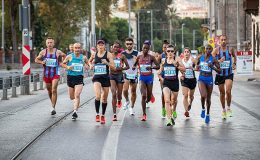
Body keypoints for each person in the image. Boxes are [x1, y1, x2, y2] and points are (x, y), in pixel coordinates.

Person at [35, 37, 66, 115]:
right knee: (49, 91)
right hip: (47, 74)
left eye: (51, 42)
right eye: (48, 42)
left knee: (54, 90)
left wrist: (62, 63)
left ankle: (53, 107)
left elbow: (64, 55)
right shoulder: (43, 52)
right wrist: (42, 62)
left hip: (55, 73)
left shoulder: (57, 52)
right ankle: (52, 102)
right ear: (46, 44)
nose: (50, 44)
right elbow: (36, 60)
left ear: (53, 43)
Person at [158, 44, 186, 126]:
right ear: (166, 52)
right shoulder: (163, 61)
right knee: (167, 100)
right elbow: (159, 72)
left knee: (173, 101)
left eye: (172, 51)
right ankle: (169, 119)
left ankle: (174, 110)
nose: (170, 53)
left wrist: (176, 65)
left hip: (175, 83)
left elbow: (184, 69)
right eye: (168, 51)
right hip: (166, 83)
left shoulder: (177, 60)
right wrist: (161, 78)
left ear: (174, 52)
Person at [88, 40, 115, 124]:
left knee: (104, 98)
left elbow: (113, 66)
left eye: (102, 45)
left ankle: (103, 115)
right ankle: (97, 114)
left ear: (104, 46)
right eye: (99, 45)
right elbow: (89, 61)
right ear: (97, 46)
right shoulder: (94, 54)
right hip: (97, 77)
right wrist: (91, 65)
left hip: (106, 78)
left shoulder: (108, 54)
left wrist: (106, 62)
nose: (100, 46)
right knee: (98, 95)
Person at [132, 41, 159, 121]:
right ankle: (144, 114)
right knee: (143, 95)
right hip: (142, 78)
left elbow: (158, 66)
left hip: (149, 78)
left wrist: (151, 68)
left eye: (147, 48)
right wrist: (134, 67)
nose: (145, 50)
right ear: (142, 48)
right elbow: (135, 64)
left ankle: (150, 97)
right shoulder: (139, 57)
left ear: (149, 49)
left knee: (148, 97)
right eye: (144, 48)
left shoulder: (151, 57)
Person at [61, 43, 89, 120]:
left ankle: (75, 111)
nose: (77, 49)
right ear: (73, 48)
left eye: (78, 48)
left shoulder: (83, 57)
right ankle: (75, 104)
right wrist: (68, 66)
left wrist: (87, 66)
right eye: (76, 48)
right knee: (71, 97)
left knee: (77, 95)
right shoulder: (69, 56)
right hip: (70, 77)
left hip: (79, 78)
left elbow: (88, 64)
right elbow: (62, 64)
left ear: (80, 49)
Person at [212, 35, 237, 119]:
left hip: (228, 73)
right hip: (220, 74)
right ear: (219, 41)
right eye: (222, 40)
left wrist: (234, 64)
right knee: (222, 93)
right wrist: (219, 61)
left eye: (224, 40)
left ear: (227, 40)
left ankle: (229, 108)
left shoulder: (230, 49)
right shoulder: (216, 50)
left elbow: (234, 56)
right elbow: (211, 60)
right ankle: (223, 110)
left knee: (228, 91)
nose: (223, 41)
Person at [196, 44, 220, 123]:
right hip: (201, 78)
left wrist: (212, 67)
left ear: (212, 50)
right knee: (203, 96)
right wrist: (197, 66)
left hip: (209, 79)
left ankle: (208, 114)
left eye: (210, 49)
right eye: (207, 49)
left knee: (208, 98)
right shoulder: (200, 57)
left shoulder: (213, 59)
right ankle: (203, 108)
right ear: (205, 49)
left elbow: (219, 71)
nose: (208, 50)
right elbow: (195, 65)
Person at [110, 41, 129, 121]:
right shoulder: (109, 56)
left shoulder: (122, 56)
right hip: (112, 76)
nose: (116, 48)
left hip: (120, 75)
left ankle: (119, 100)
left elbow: (127, 66)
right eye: (115, 47)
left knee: (119, 95)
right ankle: (114, 114)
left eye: (117, 47)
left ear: (119, 48)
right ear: (112, 47)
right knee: (113, 93)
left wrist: (121, 68)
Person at [122, 37, 139, 115]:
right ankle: (127, 100)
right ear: (125, 44)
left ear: (133, 44)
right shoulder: (123, 53)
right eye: (127, 44)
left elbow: (140, 64)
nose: (129, 45)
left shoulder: (136, 53)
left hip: (134, 74)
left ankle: (131, 107)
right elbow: (121, 64)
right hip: (126, 74)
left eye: (130, 44)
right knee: (125, 90)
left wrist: (136, 62)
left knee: (133, 91)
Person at [180, 47, 197, 117]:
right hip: (185, 80)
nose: (186, 53)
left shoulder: (192, 59)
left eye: (188, 52)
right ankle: (186, 111)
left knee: (191, 96)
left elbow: (197, 66)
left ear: (189, 53)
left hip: (192, 80)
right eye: (185, 52)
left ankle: (190, 103)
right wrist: (181, 75)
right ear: (183, 54)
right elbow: (179, 69)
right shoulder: (181, 61)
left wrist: (194, 67)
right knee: (185, 95)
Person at [156, 40, 169, 118]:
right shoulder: (161, 56)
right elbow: (156, 65)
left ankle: (170, 108)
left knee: (171, 94)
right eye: (164, 47)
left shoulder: (172, 56)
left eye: (167, 47)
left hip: (171, 77)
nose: (165, 49)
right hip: (163, 77)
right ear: (162, 48)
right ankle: (163, 108)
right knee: (163, 93)